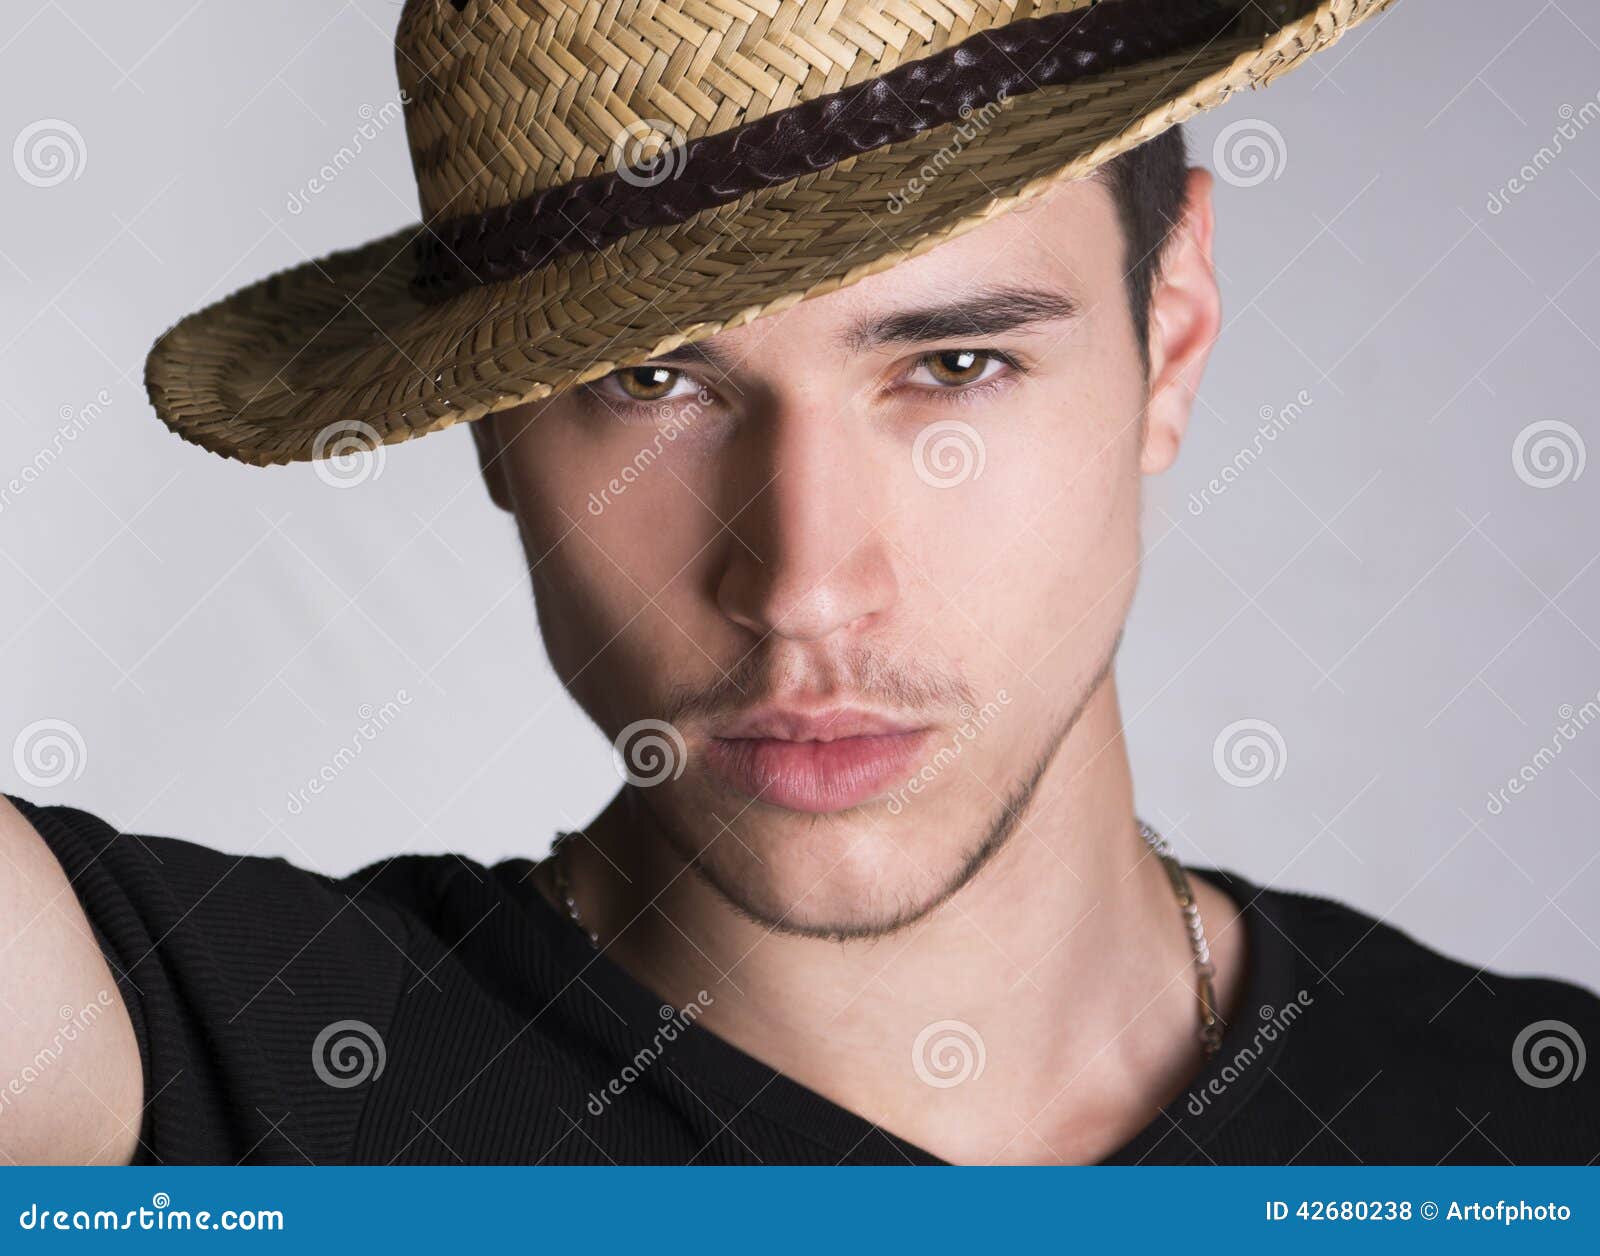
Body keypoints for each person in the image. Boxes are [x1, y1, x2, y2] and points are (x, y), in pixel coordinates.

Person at [6, 0, 1597, 1165]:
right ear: (491, 425)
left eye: (954, 363)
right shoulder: (223, 1068)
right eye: (650, 383)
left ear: (1171, 331)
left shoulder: (1540, 1134)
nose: (805, 589)